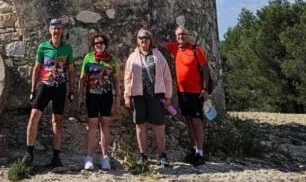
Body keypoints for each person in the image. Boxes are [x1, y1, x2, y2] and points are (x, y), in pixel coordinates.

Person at [154, 16, 210, 166]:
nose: (181, 37)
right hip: (182, 92)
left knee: (197, 122)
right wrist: (148, 35)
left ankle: (201, 152)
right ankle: (194, 150)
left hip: (196, 92)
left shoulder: (196, 49)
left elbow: (205, 68)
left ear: (188, 36)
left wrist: (204, 89)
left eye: (183, 35)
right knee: (188, 121)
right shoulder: (175, 48)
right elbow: (162, 43)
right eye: (178, 35)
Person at [22, 18, 75, 168]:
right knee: (33, 117)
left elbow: (71, 69)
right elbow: (36, 68)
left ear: (62, 30)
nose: (56, 31)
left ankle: (56, 156)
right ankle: (29, 152)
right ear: (50, 30)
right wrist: (33, 89)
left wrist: (72, 90)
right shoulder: (43, 47)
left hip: (60, 88)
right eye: (54, 28)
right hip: (45, 86)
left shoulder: (67, 48)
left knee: (57, 121)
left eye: (59, 28)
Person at [123, 27, 173, 167]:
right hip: (138, 94)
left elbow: (167, 76)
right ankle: (143, 155)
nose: (143, 40)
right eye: (141, 38)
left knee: (159, 126)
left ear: (150, 40)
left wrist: (168, 95)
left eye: (146, 37)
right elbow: (127, 78)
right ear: (137, 41)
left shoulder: (158, 56)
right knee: (140, 125)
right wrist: (127, 95)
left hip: (156, 95)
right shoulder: (132, 57)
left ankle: (162, 155)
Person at [77, 31, 120, 171]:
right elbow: (83, 79)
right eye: (96, 43)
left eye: (101, 43)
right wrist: (80, 95)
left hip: (106, 96)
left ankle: (105, 157)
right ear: (93, 45)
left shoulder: (111, 59)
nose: (98, 45)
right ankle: (88, 157)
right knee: (92, 125)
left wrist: (118, 96)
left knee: (105, 126)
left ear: (105, 44)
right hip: (92, 96)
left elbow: (115, 79)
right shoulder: (88, 58)